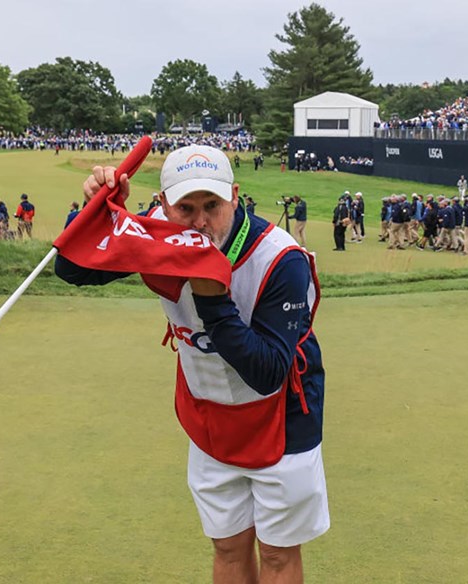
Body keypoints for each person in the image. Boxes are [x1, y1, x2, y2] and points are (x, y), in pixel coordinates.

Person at [55, 144, 328, 583]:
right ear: (162, 205)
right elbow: (72, 268)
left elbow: (267, 373)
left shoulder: (281, 259)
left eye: (212, 206)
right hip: (207, 412)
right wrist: (96, 212)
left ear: (234, 197)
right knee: (227, 546)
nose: (200, 222)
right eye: (185, 207)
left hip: (285, 419)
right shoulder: (157, 235)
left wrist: (211, 296)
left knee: (277, 554)